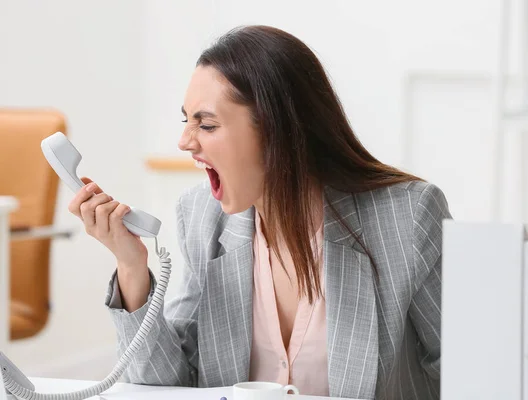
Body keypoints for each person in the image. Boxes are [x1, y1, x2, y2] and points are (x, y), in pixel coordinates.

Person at [69, 25, 451, 400]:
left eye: (206, 124)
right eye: (186, 120)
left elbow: (464, 369)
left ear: (277, 130)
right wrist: (131, 266)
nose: (185, 141)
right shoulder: (201, 215)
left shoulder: (408, 217)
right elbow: (171, 382)